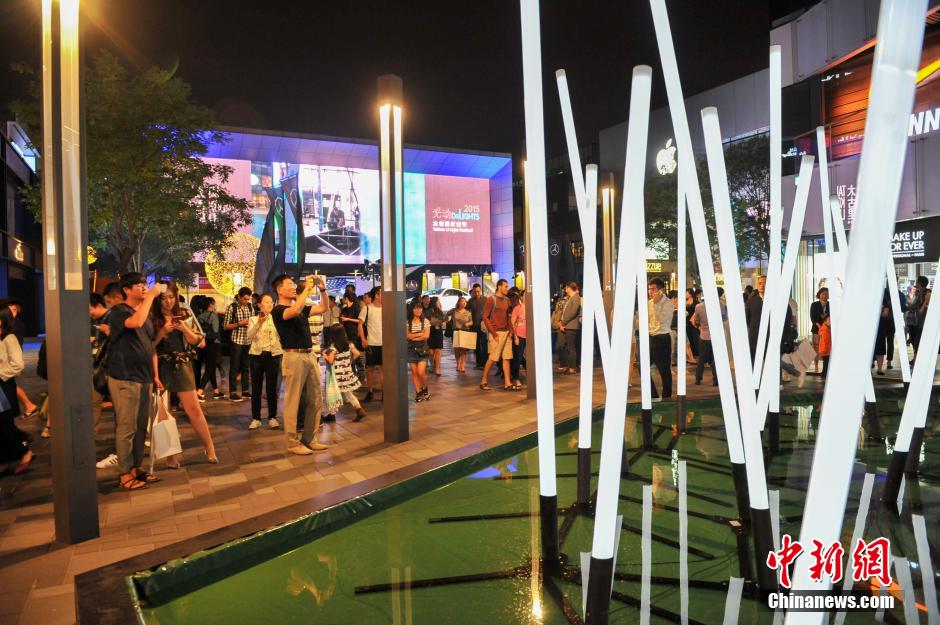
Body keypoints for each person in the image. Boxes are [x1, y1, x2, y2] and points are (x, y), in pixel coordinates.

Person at [108, 273, 164, 490]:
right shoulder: (119, 311)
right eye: (138, 285)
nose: (143, 287)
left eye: (144, 284)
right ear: (126, 290)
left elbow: (150, 346)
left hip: (144, 377)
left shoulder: (145, 313)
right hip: (125, 377)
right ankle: (124, 473)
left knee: (141, 427)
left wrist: (155, 375)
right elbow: (135, 322)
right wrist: (150, 297)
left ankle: (136, 468)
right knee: (127, 427)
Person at [152, 281, 217, 466]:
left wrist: (184, 328)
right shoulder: (152, 319)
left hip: (182, 364)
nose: (168, 301)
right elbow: (150, 347)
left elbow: (197, 341)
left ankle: (209, 447)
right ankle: (170, 455)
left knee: (194, 409)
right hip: (161, 366)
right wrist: (162, 331)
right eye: (163, 298)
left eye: (171, 297)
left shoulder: (185, 314)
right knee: (163, 413)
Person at [271, 274, 332, 455]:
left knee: (315, 398)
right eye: (289, 285)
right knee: (293, 400)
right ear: (279, 290)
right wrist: (307, 288)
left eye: (293, 284)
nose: (293, 287)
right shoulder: (278, 310)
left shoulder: (301, 307)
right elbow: (295, 310)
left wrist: (322, 289)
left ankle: (309, 439)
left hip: (309, 354)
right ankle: (292, 443)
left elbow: (324, 307)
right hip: (293, 355)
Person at [0, 306, 32, 475]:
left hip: (4, 385)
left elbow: (18, 365)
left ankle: (23, 451)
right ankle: (7, 459)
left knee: (4, 423)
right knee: (3, 424)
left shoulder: (9, 338)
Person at [247, 293, 283, 430]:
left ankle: (272, 417)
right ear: (259, 304)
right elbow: (249, 335)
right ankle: (256, 418)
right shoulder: (253, 319)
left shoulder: (276, 319)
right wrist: (259, 323)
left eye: (271, 302)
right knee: (256, 388)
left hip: (273, 355)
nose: (269, 304)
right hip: (256, 355)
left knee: (271, 388)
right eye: (266, 301)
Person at [322, 324, 367, 420]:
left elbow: (330, 361)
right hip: (347, 374)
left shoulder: (333, 348)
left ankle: (332, 414)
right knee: (348, 394)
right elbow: (357, 353)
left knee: (332, 393)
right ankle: (359, 410)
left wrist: (324, 355)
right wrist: (349, 361)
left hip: (337, 376)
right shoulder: (349, 345)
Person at [480, 279, 516, 391]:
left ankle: (507, 383)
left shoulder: (507, 300)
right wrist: (493, 333)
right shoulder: (491, 299)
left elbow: (509, 317)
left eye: (507, 286)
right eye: (505, 286)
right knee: (493, 358)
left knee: (507, 358)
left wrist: (511, 331)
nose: (507, 288)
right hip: (496, 332)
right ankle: (483, 381)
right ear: (499, 287)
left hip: (506, 332)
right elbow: (485, 317)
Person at [223, 286, 254, 401]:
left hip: (248, 340)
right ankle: (233, 392)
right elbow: (225, 326)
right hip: (236, 340)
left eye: (248, 299)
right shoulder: (231, 307)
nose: (247, 301)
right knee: (234, 367)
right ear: (239, 297)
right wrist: (239, 323)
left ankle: (245, 391)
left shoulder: (250, 307)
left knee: (246, 367)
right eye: (245, 299)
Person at [647, 277, 673, 400]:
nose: (650, 292)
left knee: (664, 370)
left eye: (652, 289)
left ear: (660, 290)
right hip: (650, 337)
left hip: (662, 338)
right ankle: (653, 395)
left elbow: (662, 319)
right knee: (643, 367)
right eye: (649, 289)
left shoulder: (668, 303)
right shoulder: (649, 303)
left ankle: (667, 397)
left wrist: (656, 304)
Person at [691, 288, 722, 386]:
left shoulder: (698, 306)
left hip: (704, 336)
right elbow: (724, 318)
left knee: (701, 359)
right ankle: (716, 380)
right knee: (715, 360)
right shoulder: (721, 306)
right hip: (717, 337)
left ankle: (698, 379)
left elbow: (695, 320)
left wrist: (699, 327)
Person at [358, 288, 383, 402]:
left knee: (383, 369)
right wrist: (363, 339)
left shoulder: (386, 308)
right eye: (382, 293)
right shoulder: (367, 308)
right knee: (369, 369)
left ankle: (384, 393)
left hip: (385, 343)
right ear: (376, 295)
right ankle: (370, 391)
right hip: (371, 343)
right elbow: (360, 324)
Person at [196, 298, 223, 400]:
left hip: (203, 344)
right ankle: (199, 391)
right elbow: (215, 331)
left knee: (211, 367)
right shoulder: (214, 316)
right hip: (213, 344)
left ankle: (216, 391)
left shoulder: (199, 316)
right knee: (209, 369)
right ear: (211, 304)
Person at [406, 299, 432, 401]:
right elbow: (407, 336)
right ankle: (418, 392)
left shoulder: (425, 321)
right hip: (411, 349)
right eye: (416, 308)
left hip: (422, 349)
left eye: (420, 308)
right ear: (412, 309)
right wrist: (419, 334)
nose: (418, 310)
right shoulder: (408, 322)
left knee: (421, 372)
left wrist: (413, 336)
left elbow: (426, 335)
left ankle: (425, 389)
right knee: (414, 372)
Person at [556, 282, 582, 374]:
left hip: (571, 326)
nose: (565, 290)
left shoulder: (576, 297)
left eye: (566, 288)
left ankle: (573, 367)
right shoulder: (570, 298)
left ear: (570, 288)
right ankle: (569, 365)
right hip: (566, 325)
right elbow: (564, 311)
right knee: (565, 347)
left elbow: (573, 312)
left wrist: (563, 322)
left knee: (571, 348)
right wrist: (560, 322)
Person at [906, 275, 930, 362]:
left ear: (919, 283)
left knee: (918, 341)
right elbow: (911, 306)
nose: (915, 283)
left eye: (917, 281)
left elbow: (921, 310)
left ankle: (918, 360)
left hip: (921, 322)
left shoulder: (927, 293)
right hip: (915, 322)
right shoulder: (918, 292)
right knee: (914, 341)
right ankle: (915, 358)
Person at [746, 276, 767, 363]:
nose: (762, 286)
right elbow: (748, 320)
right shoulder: (751, 301)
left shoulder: (775, 301)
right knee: (753, 362)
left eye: (765, 283)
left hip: (769, 339)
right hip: (754, 338)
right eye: (760, 283)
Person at [809, 287, 830, 374]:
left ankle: (826, 367)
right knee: (816, 347)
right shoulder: (814, 304)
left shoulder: (830, 305)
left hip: (827, 330)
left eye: (826, 294)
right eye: (823, 294)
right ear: (819, 294)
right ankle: (816, 366)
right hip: (816, 329)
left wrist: (825, 327)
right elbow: (812, 317)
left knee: (826, 348)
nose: (824, 296)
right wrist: (819, 326)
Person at [873, 290, 894, 375]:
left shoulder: (884, 300)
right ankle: (874, 367)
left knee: (880, 348)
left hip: (880, 327)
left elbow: (885, 314)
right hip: (873, 326)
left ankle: (879, 369)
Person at [451, 296, 473, 373]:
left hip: (465, 330)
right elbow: (446, 316)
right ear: (459, 302)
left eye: (465, 302)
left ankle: (463, 365)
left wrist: (468, 324)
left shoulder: (468, 312)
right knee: (457, 349)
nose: (463, 303)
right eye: (462, 301)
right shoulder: (454, 311)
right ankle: (458, 364)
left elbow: (471, 321)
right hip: (456, 331)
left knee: (463, 350)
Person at [510, 290, 527, 389]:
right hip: (519, 335)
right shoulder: (517, 308)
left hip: (529, 336)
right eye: (525, 295)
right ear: (521, 297)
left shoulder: (532, 308)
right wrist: (515, 337)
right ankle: (515, 378)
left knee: (528, 357)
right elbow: (512, 323)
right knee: (518, 357)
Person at [426, 297, 446, 376]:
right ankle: (432, 364)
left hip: (438, 332)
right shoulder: (428, 311)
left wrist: (443, 322)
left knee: (438, 350)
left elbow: (444, 320)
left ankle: (438, 368)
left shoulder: (440, 311)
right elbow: (426, 321)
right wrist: (432, 322)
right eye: (438, 301)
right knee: (431, 352)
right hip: (430, 332)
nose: (439, 302)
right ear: (434, 302)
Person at [468, 284, 487, 368]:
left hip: (483, 325)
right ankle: (479, 363)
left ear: (480, 291)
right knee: (476, 345)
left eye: (478, 291)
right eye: (475, 291)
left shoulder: (485, 299)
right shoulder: (470, 301)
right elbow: (468, 313)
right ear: (473, 291)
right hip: (474, 326)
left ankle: (485, 363)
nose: (477, 293)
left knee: (484, 344)